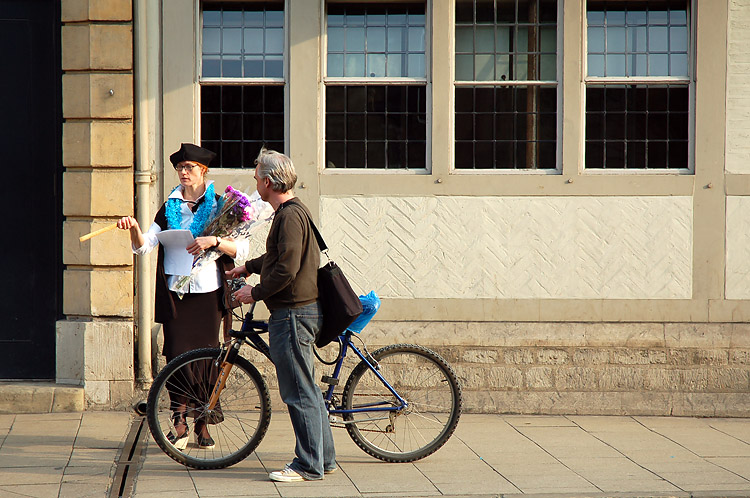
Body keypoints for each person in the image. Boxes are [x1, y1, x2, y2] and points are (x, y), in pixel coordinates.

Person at [117, 143, 250, 450]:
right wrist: (134, 228)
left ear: (203, 171)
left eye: (189, 167)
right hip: (176, 294)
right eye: (180, 168)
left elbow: (241, 250)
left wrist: (214, 240)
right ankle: (179, 421)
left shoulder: (220, 205)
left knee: (206, 357)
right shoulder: (169, 206)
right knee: (176, 354)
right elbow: (143, 246)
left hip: (207, 294)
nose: (184, 172)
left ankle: (202, 421)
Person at [227, 148, 336, 482]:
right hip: (298, 312)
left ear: (269, 181)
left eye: (257, 176)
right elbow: (278, 257)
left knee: (298, 391)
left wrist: (254, 291)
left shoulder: (288, 216)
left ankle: (307, 464)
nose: (255, 182)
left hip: (292, 314)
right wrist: (248, 266)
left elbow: (286, 268)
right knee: (309, 390)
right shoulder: (293, 211)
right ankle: (324, 459)